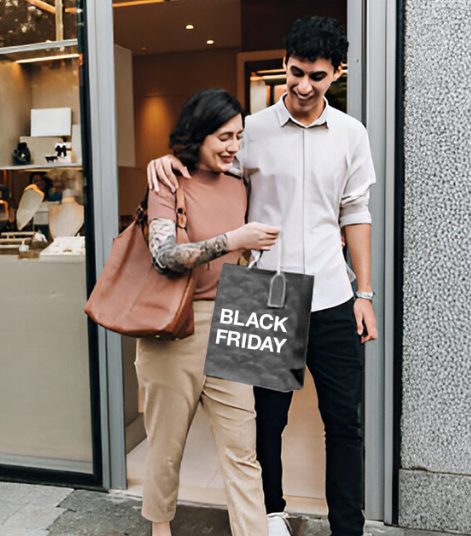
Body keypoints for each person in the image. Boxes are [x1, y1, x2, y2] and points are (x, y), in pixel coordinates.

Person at [147, 17, 379, 536]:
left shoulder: (351, 134)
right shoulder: (248, 131)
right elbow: (202, 167)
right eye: (295, 72)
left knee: (344, 421)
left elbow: (355, 212)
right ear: (284, 64)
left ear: (336, 73)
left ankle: (348, 526)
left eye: (317, 77)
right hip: (262, 293)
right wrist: (165, 160)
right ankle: (270, 514)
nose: (302, 86)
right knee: (264, 422)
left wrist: (364, 293)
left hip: (333, 294)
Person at [137, 88, 280, 536]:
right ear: (198, 135)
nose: (234, 146)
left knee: (243, 448)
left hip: (235, 316)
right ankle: (161, 530)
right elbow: (164, 255)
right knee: (166, 445)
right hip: (176, 328)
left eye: (239, 136)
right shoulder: (167, 181)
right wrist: (233, 241)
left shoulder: (240, 184)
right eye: (223, 136)